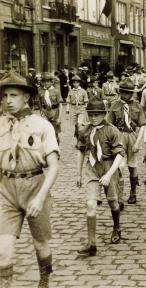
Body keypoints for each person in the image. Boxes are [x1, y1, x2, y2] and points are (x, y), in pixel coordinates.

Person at [0, 71, 59, 288]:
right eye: (4, 96)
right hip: (7, 191)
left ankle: (44, 280)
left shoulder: (42, 125)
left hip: (35, 187)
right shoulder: (0, 124)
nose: (8, 101)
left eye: (13, 95)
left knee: (40, 243)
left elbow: (53, 166)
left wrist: (40, 197)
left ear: (26, 97)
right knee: (2, 251)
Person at [76, 100, 125, 256]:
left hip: (109, 167)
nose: (93, 117)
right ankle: (91, 244)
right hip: (92, 169)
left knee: (113, 202)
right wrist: (79, 173)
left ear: (104, 114)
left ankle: (116, 227)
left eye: (97, 114)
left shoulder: (112, 131)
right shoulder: (85, 131)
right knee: (90, 204)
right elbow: (81, 150)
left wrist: (109, 174)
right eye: (90, 114)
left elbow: (120, 155)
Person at [107, 78, 146, 205]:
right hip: (119, 136)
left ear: (132, 93)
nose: (126, 95)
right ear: (120, 92)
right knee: (119, 166)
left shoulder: (137, 106)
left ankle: (133, 192)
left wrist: (138, 143)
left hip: (132, 135)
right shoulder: (115, 105)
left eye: (128, 92)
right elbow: (109, 125)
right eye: (123, 92)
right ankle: (120, 196)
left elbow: (142, 125)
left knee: (132, 165)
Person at [37, 72, 63, 144]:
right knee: (46, 132)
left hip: (55, 112)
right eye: (44, 81)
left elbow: (60, 104)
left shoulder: (56, 90)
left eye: (48, 81)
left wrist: (59, 118)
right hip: (45, 113)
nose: (46, 83)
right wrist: (42, 113)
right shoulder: (40, 91)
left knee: (55, 133)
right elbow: (39, 104)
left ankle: (56, 147)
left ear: (51, 82)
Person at [66, 75, 89, 142]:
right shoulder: (70, 91)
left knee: (79, 125)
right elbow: (68, 102)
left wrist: (86, 111)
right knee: (76, 126)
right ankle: (77, 139)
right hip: (73, 109)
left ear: (79, 83)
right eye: (74, 82)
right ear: (72, 83)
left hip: (81, 109)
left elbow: (86, 102)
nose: (75, 84)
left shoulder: (83, 91)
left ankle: (80, 141)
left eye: (77, 82)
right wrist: (67, 113)